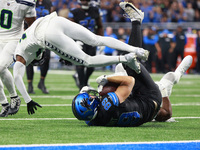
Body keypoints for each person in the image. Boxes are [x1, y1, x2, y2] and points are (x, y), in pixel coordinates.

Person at [71, 2, 193, 127]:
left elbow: (96, 110)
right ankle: (136, 21)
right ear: (91, 105)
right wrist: (107, 78)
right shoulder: (108, 104)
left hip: (146, 111)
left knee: (165, 114)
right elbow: (129, 82)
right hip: (149, 97)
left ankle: (166, 83)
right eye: (90, 98)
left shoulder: (92, 120)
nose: (92, 96)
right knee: (128, 63)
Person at [12, 10, 149, 115]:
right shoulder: (26, 37)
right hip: (53, 20)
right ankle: (136, 50)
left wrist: (28, 100)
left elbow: (17, 76)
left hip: (47, 34)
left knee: (87, 60)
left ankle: (126, 58)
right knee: (96, 39)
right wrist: (65, 51)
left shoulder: (21, 53)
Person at [0, 0, 36, 117]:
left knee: (0, 67)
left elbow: (32, 27)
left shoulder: (26, 2)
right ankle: (5, 104)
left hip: (14, 39)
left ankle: (14, 97)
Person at [70, 0, 103, 90]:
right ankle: (82, 86)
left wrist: (101, 40)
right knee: (80, 63)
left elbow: (99, 26)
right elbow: (69, 28)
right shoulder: (74, 12)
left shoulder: (95, 10)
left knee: (92, 65)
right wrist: (73, 41)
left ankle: (85, 82)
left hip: (92, 41)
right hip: (80, 41)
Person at [26, 0, 53, 94]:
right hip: (31, 32)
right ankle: (30, 84)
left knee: (47, 57)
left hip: (45, 34)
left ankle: (41, 82)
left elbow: (50, 18)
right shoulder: (29, 2)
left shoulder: (48, 2)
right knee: (29, 58)